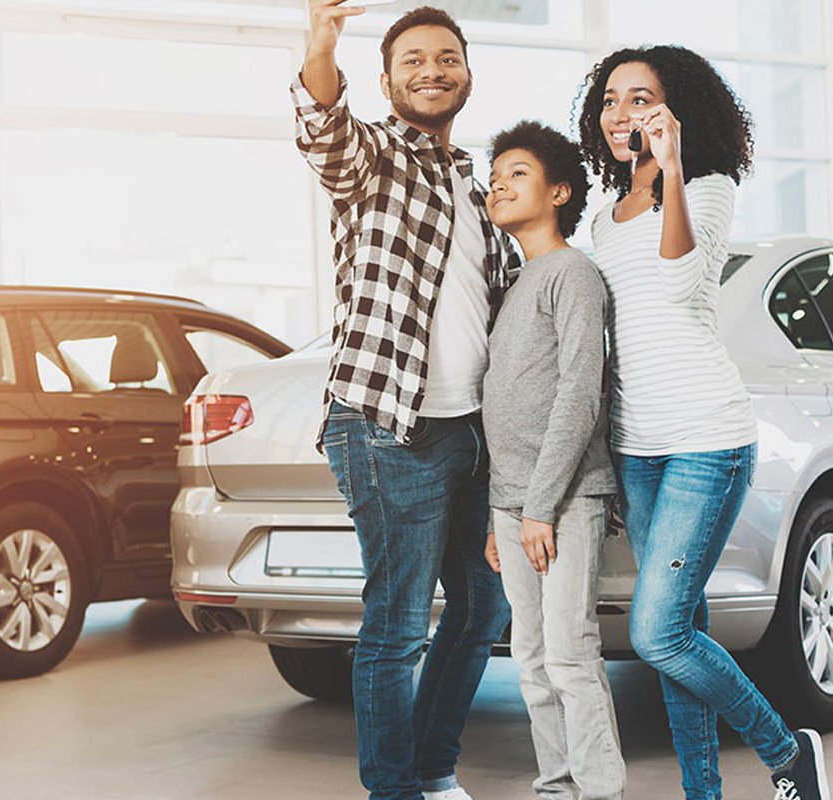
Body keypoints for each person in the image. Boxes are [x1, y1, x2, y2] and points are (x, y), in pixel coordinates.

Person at [577, 45, 832, 800]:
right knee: (678, 631)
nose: (624, 113)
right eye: (612, 100)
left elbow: (686, 279)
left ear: (674, 111)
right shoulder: (603, 215)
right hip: (639, 445)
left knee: (658, 633)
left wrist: (674, 169)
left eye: (642, 99)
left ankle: (788, 753)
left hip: (705, 439)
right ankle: (704, 793)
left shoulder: (710, 188)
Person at [291, 3, 519, 799]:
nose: (432, 70)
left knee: (483, 611)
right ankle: (393, 788)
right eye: (414, 60)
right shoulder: (376, 157)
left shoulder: (474, 184)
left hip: (471, 435)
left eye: (447, 57)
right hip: (389, 426)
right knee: (397, 624)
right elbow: (325, 128)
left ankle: (430, 768)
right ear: (386, 81)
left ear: (467, 72)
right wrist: (322, 47)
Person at [480, 120, 626, 800]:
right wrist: (499, 511)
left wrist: (538, 506)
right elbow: (503, 403)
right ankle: (556, 786)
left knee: (570, 655)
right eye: (496, 174)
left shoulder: (573, 272)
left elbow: (579, 391)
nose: (499, 184)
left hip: (564, 500)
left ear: (560, 190)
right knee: (531, 660)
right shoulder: (516, 280)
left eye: (517, 173)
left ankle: (599, 789)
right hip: (515, 504)